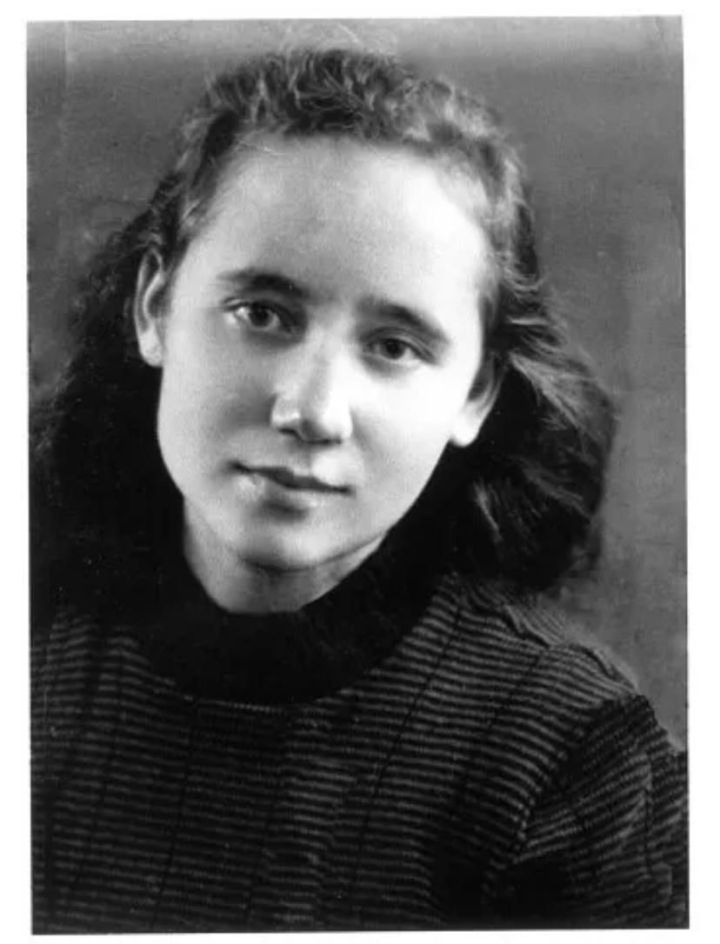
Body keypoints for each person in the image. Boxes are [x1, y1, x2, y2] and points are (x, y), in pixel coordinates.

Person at [30, 47, 686, 931]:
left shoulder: (570, 751)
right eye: (262, 314)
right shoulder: (33, 639)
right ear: (154, 307)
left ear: (477, 394)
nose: (312, 410)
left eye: (394, 346)